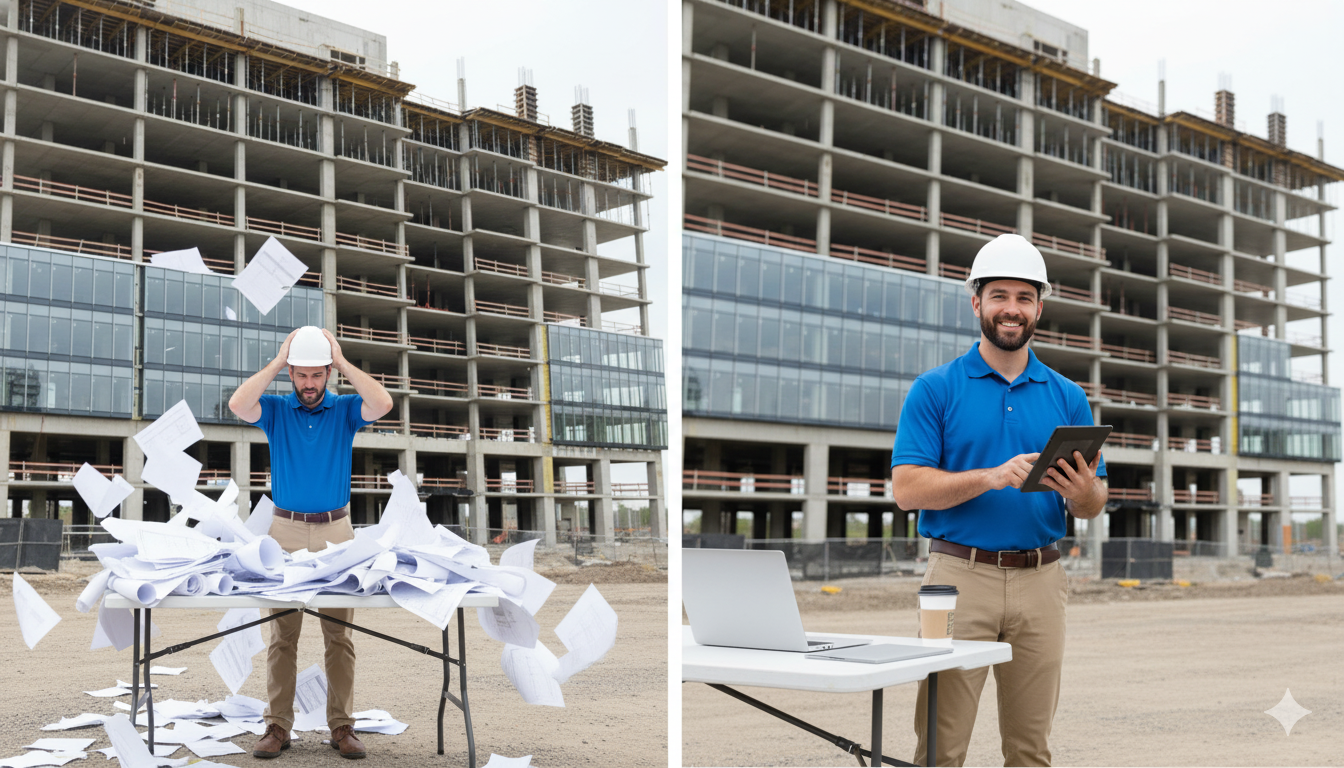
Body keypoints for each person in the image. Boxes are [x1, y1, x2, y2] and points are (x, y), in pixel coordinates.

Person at [890, 234, 1108, 767]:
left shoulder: (1067, 396)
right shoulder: (935, 389)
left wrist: (1085, 495)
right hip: (958, 579)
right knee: (941, 746)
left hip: (1042, 579)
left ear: (1040, 307)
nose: (1012, 309)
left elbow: (1092, 502)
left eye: (1024, 298)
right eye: (999, 296)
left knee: (1031, 750)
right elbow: (906, 490)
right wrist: (989, 477)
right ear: (976, 302)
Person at [228, 325, 394, 760]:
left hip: (337, 531)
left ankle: (342, 727)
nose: (308, 384)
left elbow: (384, 403)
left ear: (326, 373)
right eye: (300, 375)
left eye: (316, 375)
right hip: (283, 530)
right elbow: (237, 404)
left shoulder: (345, 409)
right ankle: (278, 726)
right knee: (282, 635)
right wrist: (278, 360)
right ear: (291, 375)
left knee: (339, 635)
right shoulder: (277, 409)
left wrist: (341, 360)